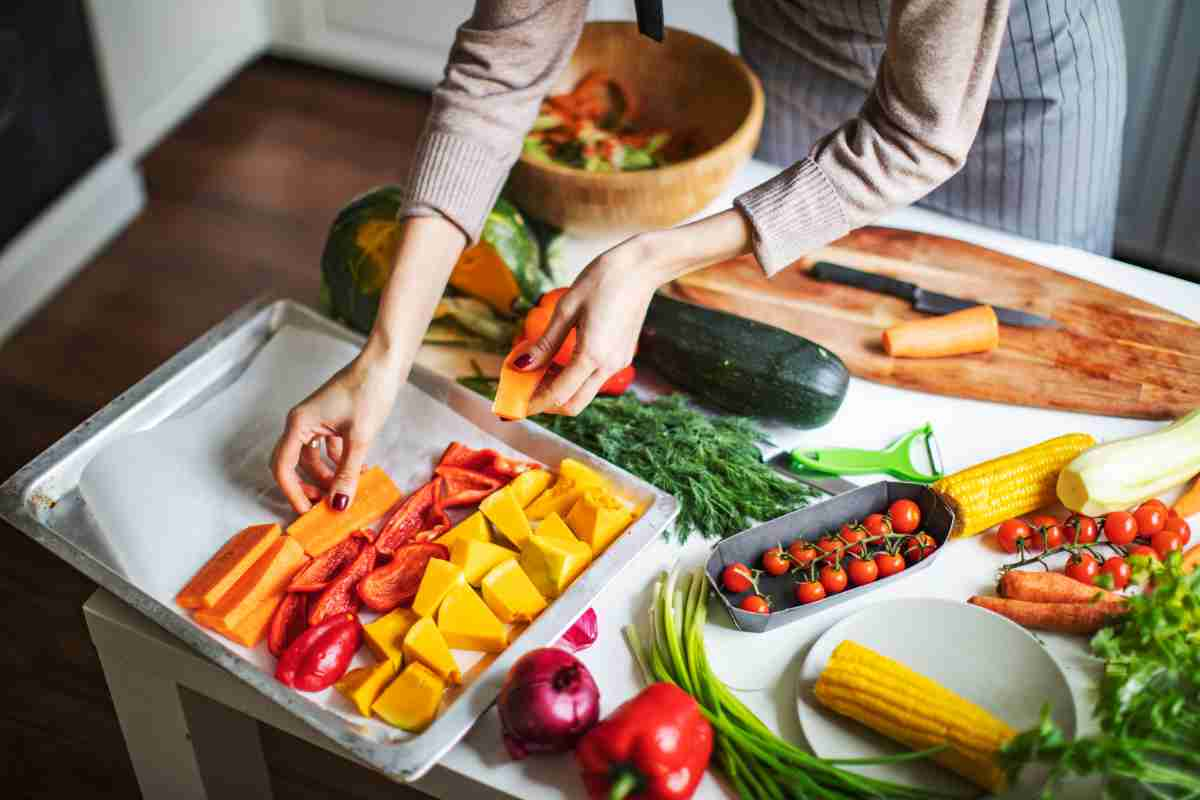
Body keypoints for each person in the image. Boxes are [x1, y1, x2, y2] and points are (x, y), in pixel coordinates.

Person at [271, 0, 1126, 513]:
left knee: (1044, 363)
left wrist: (649, 260)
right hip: (801, 42)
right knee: (798, 272)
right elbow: (499, 76)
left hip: (1020, 71)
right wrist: (382, 359)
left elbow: (917, 133)